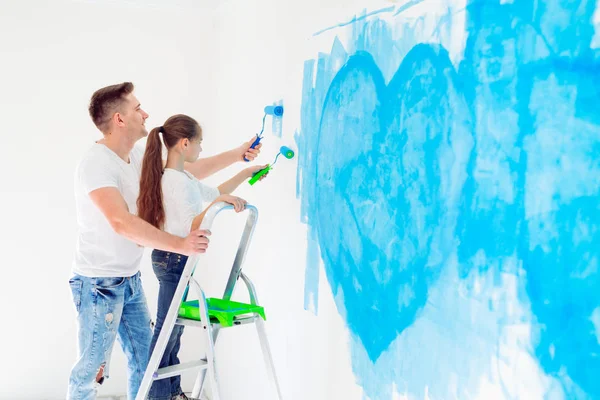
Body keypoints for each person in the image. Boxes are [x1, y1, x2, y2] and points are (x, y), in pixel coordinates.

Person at [68, 82, 262, 400]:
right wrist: (180, 243)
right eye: (137, 108)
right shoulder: (96, 164)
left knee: (149, 365)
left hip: (130, 280)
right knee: (92, 373)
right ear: (119, 119)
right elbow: (121, 222)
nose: (145, 114)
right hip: (98, 285)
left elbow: (188, 170)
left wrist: (237, 155)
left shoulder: (138, 155)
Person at [137, 114, 266, 400]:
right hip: (172, 261)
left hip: (174, 261)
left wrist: (246, 173)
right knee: (166, 332)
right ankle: (159, 396)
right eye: (199, 143)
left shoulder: (184, 177)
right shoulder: (174, 181)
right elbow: (189, 230)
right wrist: (218, 205)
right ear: (184, 144)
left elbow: (217, 192)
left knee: (173, 332)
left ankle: (171, 393)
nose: (201, 149)